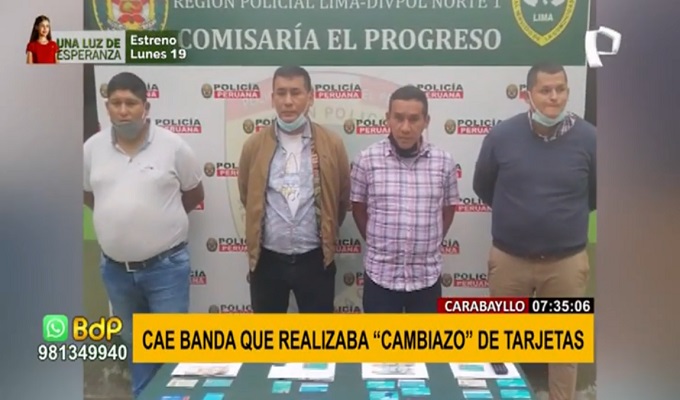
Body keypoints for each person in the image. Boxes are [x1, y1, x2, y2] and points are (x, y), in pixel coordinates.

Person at [472, 62, 596, 400]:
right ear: (528, 95)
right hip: (510, 259)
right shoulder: (502, 136)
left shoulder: (590, 138)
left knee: (564, 348)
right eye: (545, 90)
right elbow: (483, 186)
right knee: (502, 346)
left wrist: (559, 219)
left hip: (565, 263)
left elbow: (595, 194)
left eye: (561, 89)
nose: (554, 97)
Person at [83, 72, 204, 398]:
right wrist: (119, 221)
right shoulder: (91, 149)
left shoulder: (174, 147)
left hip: (166, 268)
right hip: (116, 271)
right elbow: (89, 195)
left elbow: (194, 194)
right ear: (107, 107)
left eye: (131, 103)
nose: (123, 111)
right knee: (135, 345)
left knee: (169, 347)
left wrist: (159, 222)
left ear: (146, 107)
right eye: (116, 103)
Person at [237, 65, 351, 313]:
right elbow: (247, 194)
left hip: (316, 259)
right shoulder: (253, 146)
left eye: (296, 93)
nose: (288, 101)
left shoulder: (332, 144)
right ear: (272, 98)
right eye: (281, 93)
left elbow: (341, 199)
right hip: (267, 261)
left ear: (310, 97)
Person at [350, 85, 459, 313]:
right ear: (387, 118)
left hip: (426, 279)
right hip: (380, 277)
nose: (405, 128)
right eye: (398, 118)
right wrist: (380, 243)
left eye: (414, 119)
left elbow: (448, 209)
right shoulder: (367, 160)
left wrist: (428, 242)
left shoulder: (444, 162)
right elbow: (358, 208)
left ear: (426, 121)